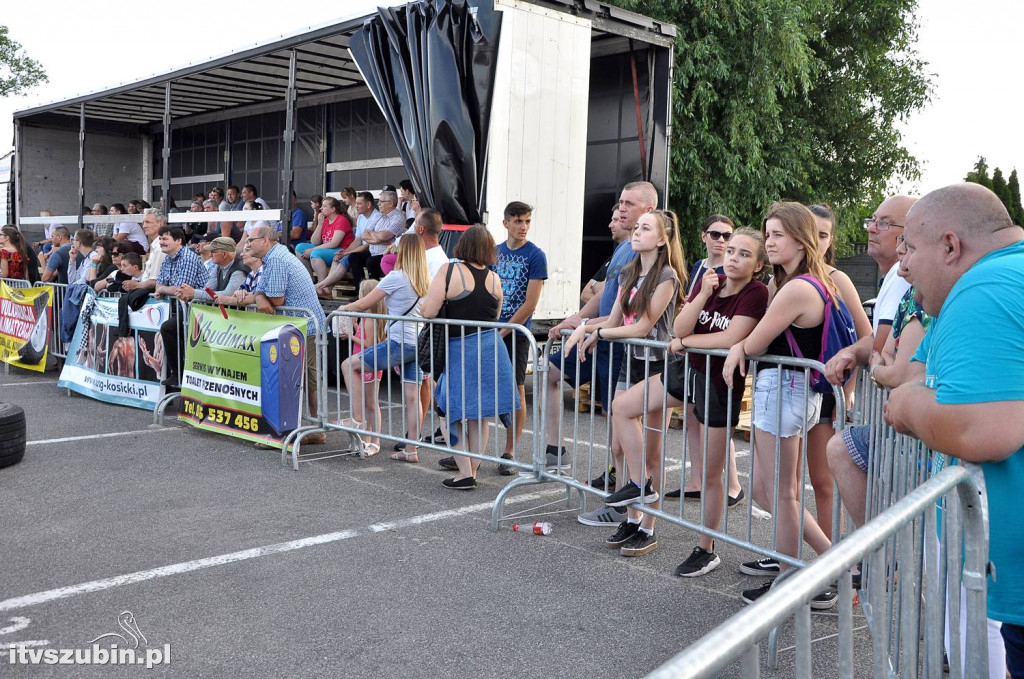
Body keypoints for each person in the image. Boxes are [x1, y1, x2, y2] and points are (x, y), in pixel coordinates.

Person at [880, 184, 1024, 677]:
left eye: (911, 248)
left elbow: (980, 428)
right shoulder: (977, 289)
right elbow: (917, 371)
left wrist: (906, 404)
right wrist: (915, 395)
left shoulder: (985, 289)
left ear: (949, 245)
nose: (903, 266)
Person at [617, 227, 767, 574]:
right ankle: (643, 484)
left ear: (758, 265)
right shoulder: (710, 281)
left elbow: (732, 337)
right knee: (623, 407)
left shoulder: (756, 293)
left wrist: (686, 343)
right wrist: (702, 295)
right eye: (731, 251)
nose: (733, 258)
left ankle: (706, 548)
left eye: (744, 254)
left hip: (719, 383)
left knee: (711, 474)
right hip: (689, 371)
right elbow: (679, 327)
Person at [722, 201, 845, 608]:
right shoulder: (808, 282)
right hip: (792, 392)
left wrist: (739, 345)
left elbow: (755, 343)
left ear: (800, 239)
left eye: (777, 235)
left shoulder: (798, 287)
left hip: (784, 391)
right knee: (766, 489)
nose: (769, 242)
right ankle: (828, 562)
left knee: (781, 492)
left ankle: (799, 572)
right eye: (768, 233)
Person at [567, 209, 686, 557]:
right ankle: (633, 519)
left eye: (645, 228)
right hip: (629, 363)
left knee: (651, 451)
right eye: (635, 227)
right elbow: (615, 318)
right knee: (621, 443)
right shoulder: (628, 271)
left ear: (662, 239)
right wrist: (584, 327)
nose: (636, 232)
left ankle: (647, 525)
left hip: (656, 365)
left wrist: (597, 332)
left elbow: (642, 327)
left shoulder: (667, 276)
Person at [544, 181, 657, 528]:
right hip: (604, 337)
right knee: (557, 376)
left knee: (622, 429)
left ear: (649, 212)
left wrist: (592, 327)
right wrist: (580, 320)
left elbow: (632, 315)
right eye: (619, 203)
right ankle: (558, 452)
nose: (621, 209)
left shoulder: (646, 255)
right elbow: (610, 297)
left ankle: (627, 507)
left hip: (621, 347)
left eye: (629, 204)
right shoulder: (624, 249)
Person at [792, 203, 874, 544]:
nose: (815, 241)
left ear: (829, 240)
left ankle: (828, 562)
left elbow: (864, 336)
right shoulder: (780, 277)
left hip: (823, 391)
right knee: (787, 485)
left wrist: (849, 390)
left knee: (822, 481)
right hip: (787, 389)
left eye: (822, 235)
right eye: (809, 232)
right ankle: (787, 554)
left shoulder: (836, 278)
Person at [421, 225, 518, 488]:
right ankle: (471, 468)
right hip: (490, 348)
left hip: (459, 349)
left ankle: (465, 472)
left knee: (445, 411)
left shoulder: (449, 271)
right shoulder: (494, 279)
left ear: (463, 245)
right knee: (479, 415)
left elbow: (428, 311)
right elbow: (495, 316)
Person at [666, 213, 745, 507]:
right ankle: (697, 480)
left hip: (715, 355)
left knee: (716, 422)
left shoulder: (733, 268)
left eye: (727, 236)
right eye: (716, 234)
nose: (722, 241)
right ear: (704, 236)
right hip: (696, 353)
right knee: (692, 417)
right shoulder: (700, 267)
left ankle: (734, 486)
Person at [338, 235, 429, 459]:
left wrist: (343, 308)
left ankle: (357, 419)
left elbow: (364, 302)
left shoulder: (396, 277)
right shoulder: (425, 279)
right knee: (412, 397)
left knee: (349, 364)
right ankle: (411, 449)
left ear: (403, 252)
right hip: (418, 342)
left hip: (399, 342)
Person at [248, 226, 328, 443]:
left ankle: (314, 429)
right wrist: (259, 296)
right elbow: (265, 295)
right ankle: (309, 428)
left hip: (306, 328)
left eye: (251, 239)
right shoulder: (276, 256)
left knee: (306, 379)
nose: (247, 244)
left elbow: (275, 301)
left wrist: (258, 296)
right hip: (301, 327)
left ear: (265, 240)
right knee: (303, 378)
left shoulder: (277, 260)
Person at [492, 201, 547, 473]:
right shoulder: (495, 253)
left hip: (517, 333)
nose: (523, 226)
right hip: (492, 329)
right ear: (506, 223)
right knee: (481, 387)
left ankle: (509, 452)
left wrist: (504, 330)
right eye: (517, 221)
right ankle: (470, 454)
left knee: (516, 390)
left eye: (526, 221)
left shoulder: (535, 255)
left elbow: (530, 303)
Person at [333, 280, 387, 455]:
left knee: (371, 403)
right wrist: (356, 327)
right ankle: (366, 438)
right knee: (366, 402)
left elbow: (368, 343)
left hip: (367, 363)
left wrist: (351, 335)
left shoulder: (371, 318)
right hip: (363, 362)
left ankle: (374, 441)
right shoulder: (368, 316)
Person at [154, 225, 207, 386]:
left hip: (198, 308)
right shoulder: (167, 259)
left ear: (178, 241)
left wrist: (164, 289)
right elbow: (159, 285)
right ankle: (176, 375)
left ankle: (178, 374)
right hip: (180, 308)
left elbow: (181, 290)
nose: (161, 242)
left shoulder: (187, 258)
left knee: (168, 328)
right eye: (160, 239)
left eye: (165, 239)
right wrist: (163, 288)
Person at [313, 192, 379, 297]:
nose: (355, 206)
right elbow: (357, 240)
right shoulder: (361, 217)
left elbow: (368, 244)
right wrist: (344, 252)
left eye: (359, 203)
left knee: (350, 257)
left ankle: (321, 285)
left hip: (373, 250)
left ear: (369, 205)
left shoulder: (377, 217)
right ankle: (327, 289)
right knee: (338, 256)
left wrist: (348, 252)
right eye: (356, 203)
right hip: (361, 249)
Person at [348, 190, 406, 286]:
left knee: (372, 261)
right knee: (354, 257)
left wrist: (374, 234)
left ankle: (373, 291)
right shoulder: (378, 216)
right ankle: (359, 290)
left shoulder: (398, 217)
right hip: (373, 251)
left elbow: (384, 236)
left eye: (381, 201)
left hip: (387, 253)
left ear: (390, 203)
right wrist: (379, 238)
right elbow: (364, 235)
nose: (378, 204)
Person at [295, 197, 353, 283]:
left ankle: (322, 286)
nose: (321, 208)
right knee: (299, 247)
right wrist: (320, 224)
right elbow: (314, 242)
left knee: (315, 253)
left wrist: (312, 249)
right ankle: (310, 282)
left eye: (324, 206)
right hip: (328, 250)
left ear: (333, 209)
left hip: (341, 250)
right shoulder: (325, 221)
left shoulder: (341, 220)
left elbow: (334, 243)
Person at [580, 206, 630, 305]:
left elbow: (621, 302)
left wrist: (596, 286)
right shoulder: (613, 258)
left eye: (616, 220)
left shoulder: (635, 257)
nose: (610, 225)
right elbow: (585, 294)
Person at [175, 237, 248, 304]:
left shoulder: (239, 269)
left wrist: (194, 293)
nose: (210, 255)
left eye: (213, 251)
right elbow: (208, 289)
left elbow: (228, 294)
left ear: (224, 254)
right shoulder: (218, 267)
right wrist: (187, 292)